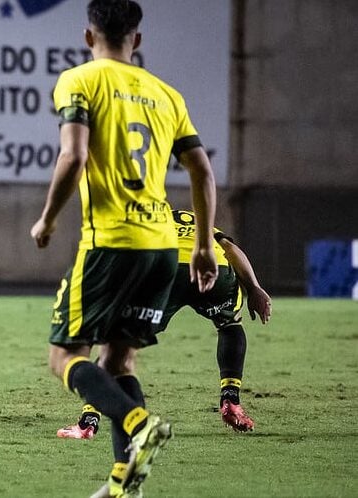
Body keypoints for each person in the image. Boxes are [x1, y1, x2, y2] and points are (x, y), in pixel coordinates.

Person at [29, 1, 218, 497]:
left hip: (111, 243)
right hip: (162, 249)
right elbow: (201, 171)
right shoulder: (167, 94)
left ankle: (139, 423)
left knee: (63, 355)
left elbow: (73, 155)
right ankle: (124, 482)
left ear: (89, 37)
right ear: (137, 40)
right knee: (119, 363)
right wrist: (202, 246)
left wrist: (47, 220)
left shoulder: (81, 79)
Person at [57, 210, 272, 440]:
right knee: (230, 324)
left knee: (120, 343)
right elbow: (230, 248)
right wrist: (254, 288)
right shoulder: (201, 224)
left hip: (165, 271)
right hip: (213, 269)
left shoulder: (151, 220)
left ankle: (89, 421)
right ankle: (231, 399)